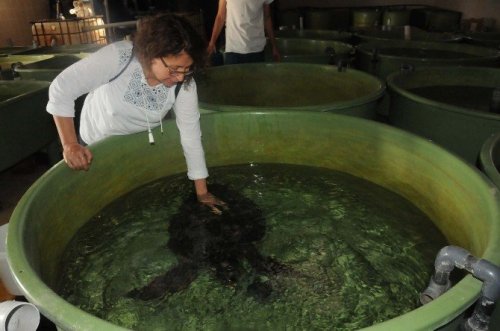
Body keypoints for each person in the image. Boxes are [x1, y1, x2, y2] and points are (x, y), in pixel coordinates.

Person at [46, 13, 225, 213]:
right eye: (174, 69)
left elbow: (190, 135)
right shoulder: (119, 58)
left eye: (187, 69)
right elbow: (61, 88)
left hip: (138, 149)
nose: (181, 77)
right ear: (152, 53)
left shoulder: (184, 84)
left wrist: (202, 193)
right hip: (94, 147)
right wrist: (70, 144)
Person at [207, 0, 280, 65]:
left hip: (256, 49)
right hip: (233, 49)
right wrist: (212, 42)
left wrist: (274, 46)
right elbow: (220, 16)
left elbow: (267, 17)